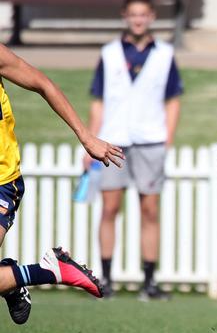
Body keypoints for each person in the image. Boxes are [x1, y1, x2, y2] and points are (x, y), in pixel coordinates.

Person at [0, 43, 124, 325]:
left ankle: (47, 272)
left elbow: (43, 83)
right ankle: (28, 275)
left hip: (1, 179)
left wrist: (86, 136)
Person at [87, 0, 183, 301]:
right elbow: (98, 102)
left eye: (144, 14)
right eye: (133, 14)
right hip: (113, 140)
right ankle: (106, 280)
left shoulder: (165, 54)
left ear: (152, 17)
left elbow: (173, 100)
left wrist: (166, 137)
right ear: (125, 16)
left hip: (150, 140)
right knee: (110, 209)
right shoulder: (109, 52)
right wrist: (90, 140)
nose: (138, 19)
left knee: (149, 210)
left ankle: (149, 282)